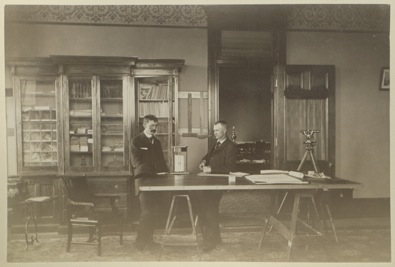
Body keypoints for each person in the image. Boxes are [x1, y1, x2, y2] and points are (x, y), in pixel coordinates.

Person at [196, 120, 237, 252]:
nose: (214, 132)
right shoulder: (216, 143)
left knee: (209, 209)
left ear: (224, 131)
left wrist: (211, 169)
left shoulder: (231, 146)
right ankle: (215, 238)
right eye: (214, 130)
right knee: (208, 208)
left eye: (217, 130)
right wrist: (203, 161)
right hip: (210, 181)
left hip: (219, 182)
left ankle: (210, 241)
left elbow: (231, 168)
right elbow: (208, 156)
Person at [131, 114, 169, 251]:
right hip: (143, 180)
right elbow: (137, 163)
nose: (154, 128)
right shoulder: (136, 141)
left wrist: (167, 173)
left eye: (156, 125)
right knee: (146, 212)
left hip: (157, 181)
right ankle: (139, 243)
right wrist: (154, 171)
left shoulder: (157, 142)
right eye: (151, 125)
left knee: (153, 212)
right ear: (144, 125)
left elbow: (161, 162)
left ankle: (149, 241)